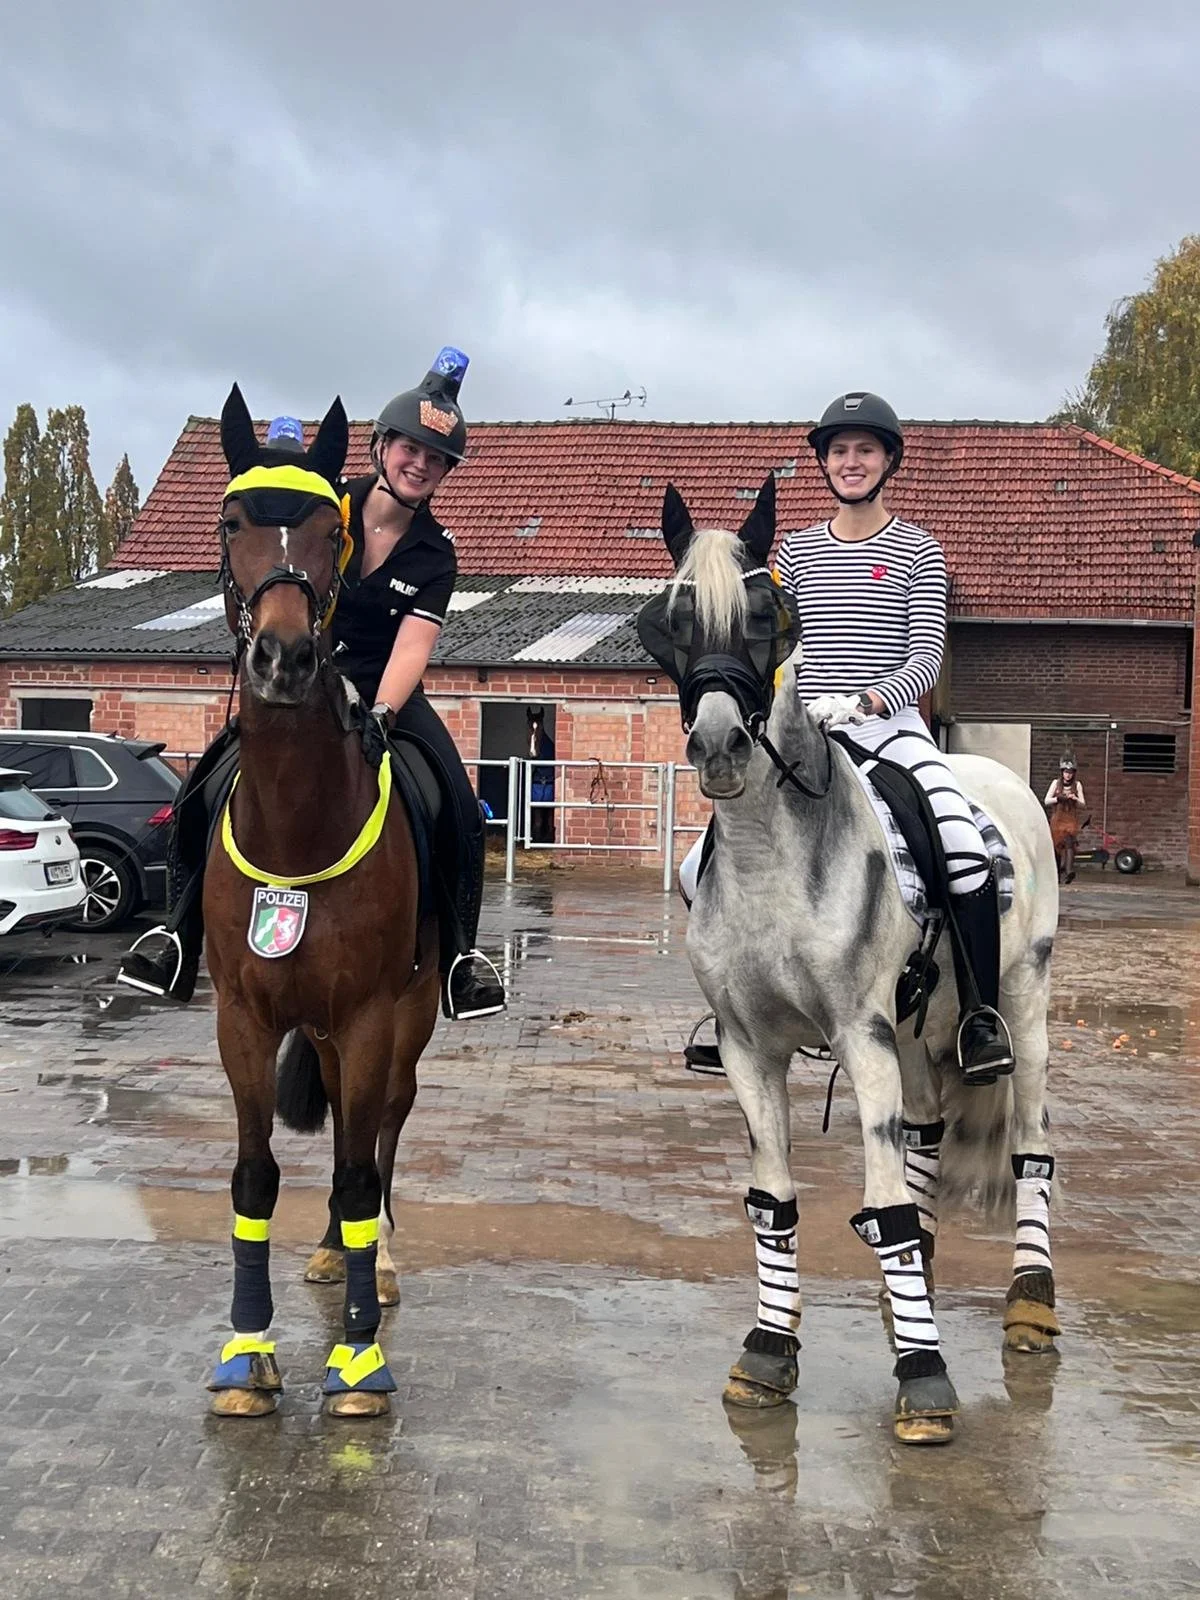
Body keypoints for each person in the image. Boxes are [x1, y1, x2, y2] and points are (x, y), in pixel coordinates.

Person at [117, 348, 505, 1021]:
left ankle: (462, 957)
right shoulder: (330, 507)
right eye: (410, 447)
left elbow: (414, 647)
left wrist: (382, 711)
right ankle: (175, 934)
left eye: (436, 458)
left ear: (445, 472)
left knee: (460, 809)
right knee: (199, 791)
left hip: (384, 695)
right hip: (297, 688)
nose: (420, 463)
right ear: (383, 447)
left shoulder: (436, 554)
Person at [685, 391, 1012, 1086]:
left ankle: (982, 1015)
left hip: (890, 732)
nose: (851, 462)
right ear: (825, 463)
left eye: (865, 449)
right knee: (700, 865)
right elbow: (773, 645)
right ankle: (733, 1011)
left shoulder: (919, 548)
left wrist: (866, 701)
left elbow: (926, 656)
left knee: (962, 846)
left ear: (888, 459)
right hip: (806, 738)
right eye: (839, 451)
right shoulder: (796, 553)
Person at [1045, 756, 1086, 883]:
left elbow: (1083, 804)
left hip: (1070, 819)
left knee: (1069, 841)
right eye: (1066, 772)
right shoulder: (1055, 783)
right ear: (1062, 772)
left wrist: (1075, 799)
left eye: (1070, 772)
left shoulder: (1077, 785)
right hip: (1058, 818)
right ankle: (1056, 874)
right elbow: (1046, 800)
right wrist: (1058, 798)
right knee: (1057, 845)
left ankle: (1069, 871)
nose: (1068, 775)